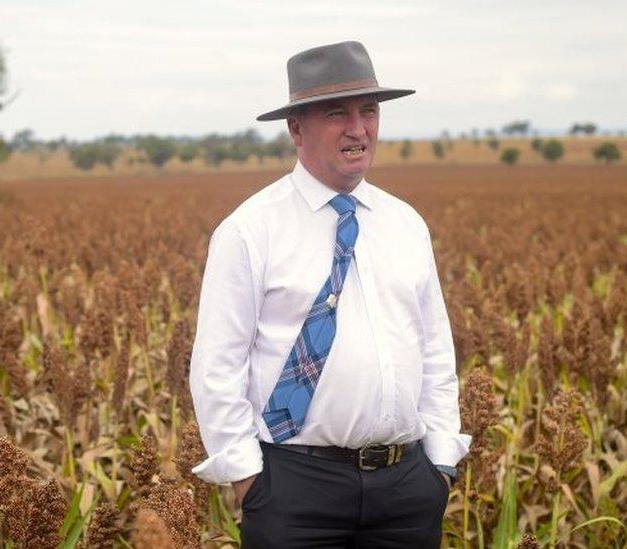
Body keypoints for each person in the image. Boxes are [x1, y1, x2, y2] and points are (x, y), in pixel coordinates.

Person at [188, 40, 471, 548]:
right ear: (296, 129)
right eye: (337, 114)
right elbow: (217, 366)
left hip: (408, 489)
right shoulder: (249, 231)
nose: (358, 128)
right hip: (294, 490)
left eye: (369, 111)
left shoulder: (406, 225)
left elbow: (434, 350)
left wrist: (441, 461)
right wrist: (250, 480)